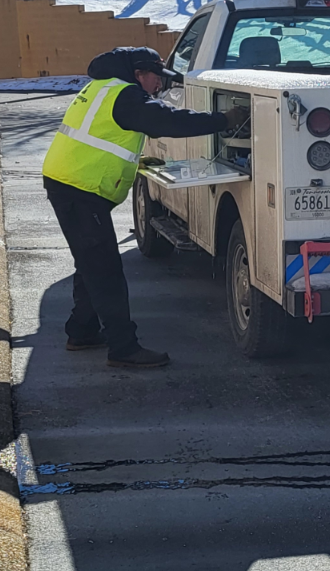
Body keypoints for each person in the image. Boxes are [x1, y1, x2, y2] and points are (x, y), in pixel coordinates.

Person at [42, 46, 246, 368]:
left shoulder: (103, 87)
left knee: (90, 263)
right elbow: (167, 121)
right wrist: (222, 120)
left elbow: (104, 137)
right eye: (156, 78)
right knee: (105, 269)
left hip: (71, 183)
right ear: (139, 74)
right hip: (79, 190)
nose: (159, 86)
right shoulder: (126, 96)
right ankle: (123, 348)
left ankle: (81, 331)